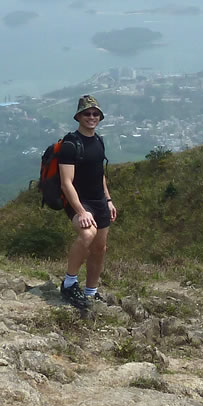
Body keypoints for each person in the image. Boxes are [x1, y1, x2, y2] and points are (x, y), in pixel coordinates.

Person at [58, 94, 116, 309]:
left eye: (95, 114)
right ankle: (69, 283)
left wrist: (108, 199)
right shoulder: (70, 145)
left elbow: (99, 173)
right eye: (87, 114)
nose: (91, 117)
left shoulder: (98, 140)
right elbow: (66, 183)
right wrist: (81, 211)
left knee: (100, 248)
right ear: (79, 117)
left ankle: (91, 291)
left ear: (100, 117)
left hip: (99, 200)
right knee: (87, 234)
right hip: (79, 202)